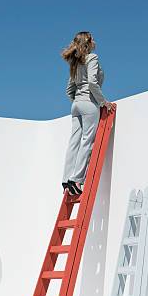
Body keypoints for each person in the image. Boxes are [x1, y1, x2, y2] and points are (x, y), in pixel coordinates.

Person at [61, 31, 115, 196]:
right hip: (89, 104)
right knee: (87, 141)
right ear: (89, 42)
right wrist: (102, 102)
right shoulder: (92, 58)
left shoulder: (75, 62)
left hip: (76, 105)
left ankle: (66, 180)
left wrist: (77, 100)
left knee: (74, 142)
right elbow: (92, 82)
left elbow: (69, 90)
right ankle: (76, 179)